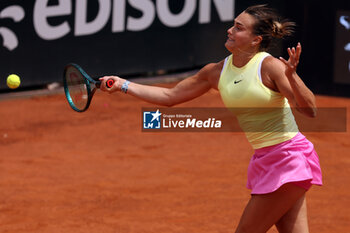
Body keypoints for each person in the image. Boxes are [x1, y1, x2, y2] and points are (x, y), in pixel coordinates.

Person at [99, 4, 322, 233]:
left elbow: (309, 110)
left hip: (288, 158)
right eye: (232, 25)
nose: (230, 31)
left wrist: (292, 77)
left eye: (238, 28)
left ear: (255, 39)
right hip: (264, 158)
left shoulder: (270, 67)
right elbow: (169, 96)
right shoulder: (216, 72)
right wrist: (122, 84)